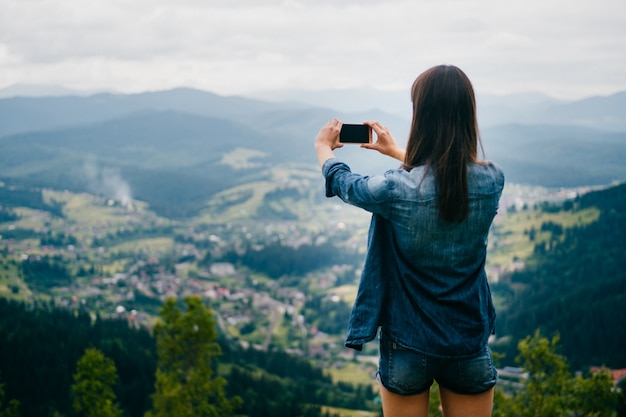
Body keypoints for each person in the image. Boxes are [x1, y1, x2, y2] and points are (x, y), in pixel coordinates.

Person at [314, 65, 504, 417]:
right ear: (468, 113)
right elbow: (447, 179)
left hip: (407, 346)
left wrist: (324, 148)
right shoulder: (492, 180)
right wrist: (396, 152)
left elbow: (347, 184)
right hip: (467, 342)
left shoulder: (394, 190)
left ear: (421, 115)